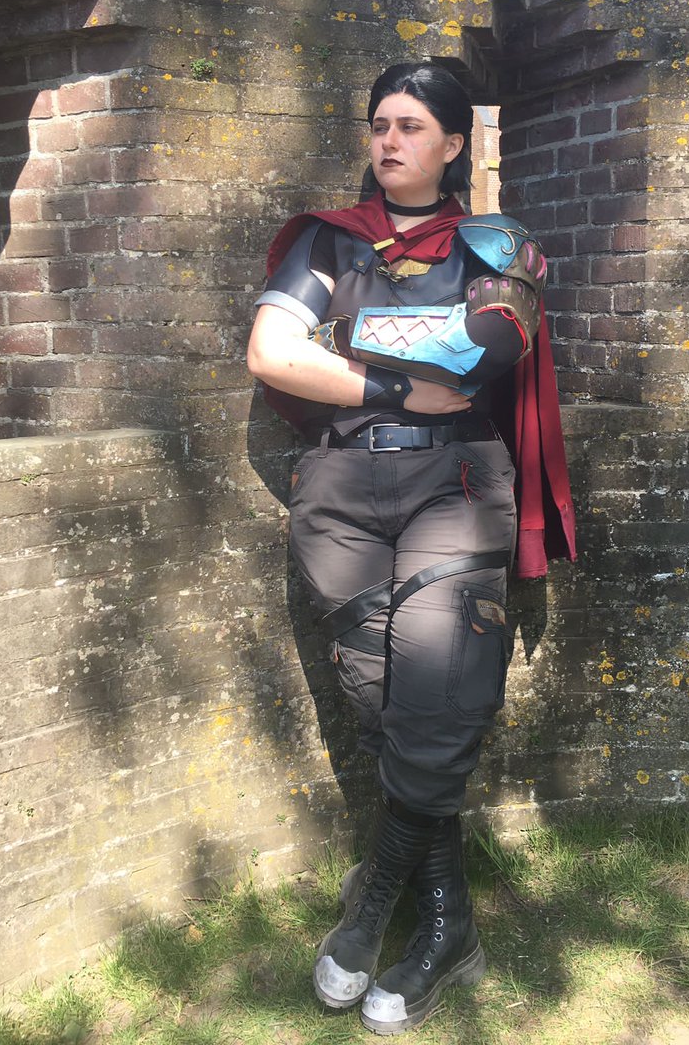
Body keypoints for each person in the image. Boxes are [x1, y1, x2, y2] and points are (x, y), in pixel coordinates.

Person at [247, 61, 575, 1034]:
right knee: (387, 712)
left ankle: (375, 908)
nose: (389, 141)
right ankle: (450, 925)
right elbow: (269, 352)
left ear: (453, 143)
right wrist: (390, 383)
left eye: (411, 126)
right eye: (379, 123)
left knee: (437, 705)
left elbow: (486, 345)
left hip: (453, 489)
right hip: (342, 497)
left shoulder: (498, 244)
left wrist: (341, 337)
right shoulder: (327, 238)